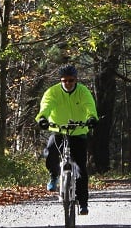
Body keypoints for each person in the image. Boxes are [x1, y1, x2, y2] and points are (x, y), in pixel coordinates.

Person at [35, 64, 98, 215]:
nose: (68, 83)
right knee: (50, 150)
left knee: (81, 169)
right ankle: (54, 175)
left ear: (76, 80)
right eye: (65, 80)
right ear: (60, 80)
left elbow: (89, 106)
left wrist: (91, 118)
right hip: (58, 130)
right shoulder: (53, 92)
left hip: (78, 131)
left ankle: (83, 203)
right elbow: (46, 106)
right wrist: (42, 118)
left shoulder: (83, 92)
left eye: (71, 80)